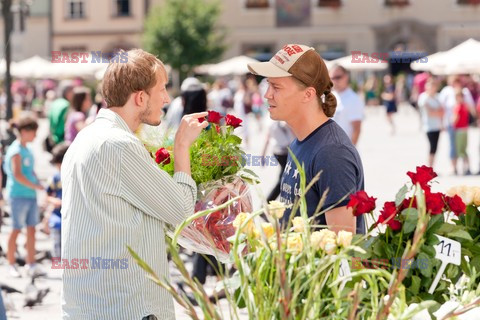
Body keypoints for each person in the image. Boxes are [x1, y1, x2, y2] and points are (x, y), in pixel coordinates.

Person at [61, 49, 208, 320]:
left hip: (95, 305)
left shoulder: (87, 137)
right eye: (162, 89)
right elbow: (183, 213)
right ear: (140, 97)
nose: (166, 98)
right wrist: (182, 145)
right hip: (124, 308)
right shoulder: (118, 145)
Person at [248, 44, 365, 234]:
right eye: (268, 85)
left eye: (276, 86)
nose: (267, 94)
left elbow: (343, 247)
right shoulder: (300, 141)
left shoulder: (332, 153)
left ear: (308, 94)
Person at [4, 113, 44, 278]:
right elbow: (17, 175)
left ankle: (31, 263)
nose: (35, 135)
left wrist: (37, 183)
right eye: (34, 132)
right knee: (15, 230)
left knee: (31, 229)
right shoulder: (16, 150)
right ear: (26, 131)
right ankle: (11, 263)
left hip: (30, 195)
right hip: (18, 196)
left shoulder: (27, 149)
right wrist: (36, 185)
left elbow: (29, 172)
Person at [329, 65, 364, 146]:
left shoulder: (353, 99)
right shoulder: (330, 96)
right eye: (331, 78)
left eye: (338, 77)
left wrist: (350, 151)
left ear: (346, 77)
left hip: (344, 151)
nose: (334, 81)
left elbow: (357, 128)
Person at [45, 143, 69, 258]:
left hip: (70, 215)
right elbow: (47, 195)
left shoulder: (73, 176)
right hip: (57, 215)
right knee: (57, 242)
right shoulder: (55, 178)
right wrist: (54, 201)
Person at [262, 120, 295, 202]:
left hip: (277, 152)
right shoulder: (283, 122)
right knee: (284, 179)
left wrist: (262, 155)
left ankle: (268, 203)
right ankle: (268, 202)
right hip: (285, 152)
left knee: (284, 176)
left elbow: (267, 140)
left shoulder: (270, 123)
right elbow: (293, 137)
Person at [417, 78, 444, 169]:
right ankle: (429, 167)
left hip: (437, 126)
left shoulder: (438, 97)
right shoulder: (423, 97)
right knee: (432, 147)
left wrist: (435, 111)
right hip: (428, 126)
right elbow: (430, 112)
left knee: (435, 148)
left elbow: (441, 112)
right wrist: (436, 111)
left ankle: (431, 167)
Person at [452, 90, 471, 175]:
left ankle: (465, 168)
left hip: (459, 130)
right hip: (465, 130)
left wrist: (451, 123)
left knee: (460, 151)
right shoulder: (465, 106)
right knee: (464, 150)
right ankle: (467, 167)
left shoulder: (458, 107)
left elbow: (455, 119)